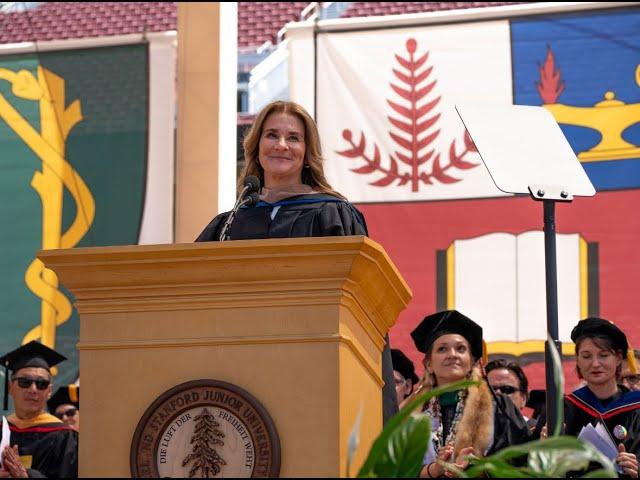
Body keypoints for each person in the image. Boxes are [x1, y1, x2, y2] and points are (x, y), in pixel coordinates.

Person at [195, 100, 398, 423]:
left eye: (293, 138)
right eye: (271, 135)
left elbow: (360, 309)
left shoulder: (332, 214)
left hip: (314, 367)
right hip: (236, 370)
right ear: (256, 145)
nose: (281, 145)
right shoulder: (228, 223)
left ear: (307, 151)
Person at [409, 310, 530, 478]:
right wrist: (434, 469)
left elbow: (520, 462)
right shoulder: (411, 413)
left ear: (472, 361)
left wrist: (479, 468)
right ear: (429, 364)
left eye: (460, 349)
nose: (452, 355)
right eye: (442, 349)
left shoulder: (499, 407)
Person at [538, 318, 639, 477]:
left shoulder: (636, 409)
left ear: (619, 358)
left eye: (604, 355)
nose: (595, 364)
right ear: (577, 359)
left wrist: (636, 469)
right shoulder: (559, 409)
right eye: (586, 356)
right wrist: (542, 450)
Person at [0, 341, 78, 478]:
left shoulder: (65, 438)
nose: (33, 389)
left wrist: (27, 476)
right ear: (10, 387)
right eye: (25, 382)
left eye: (42, 384)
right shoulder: (2, 430)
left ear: (49, 391)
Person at [485, 359, 535, 429]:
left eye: (507, 389)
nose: (498, 394)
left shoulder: (538, 434)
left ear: (523, 399)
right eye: (490, 390)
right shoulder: (471, 434)